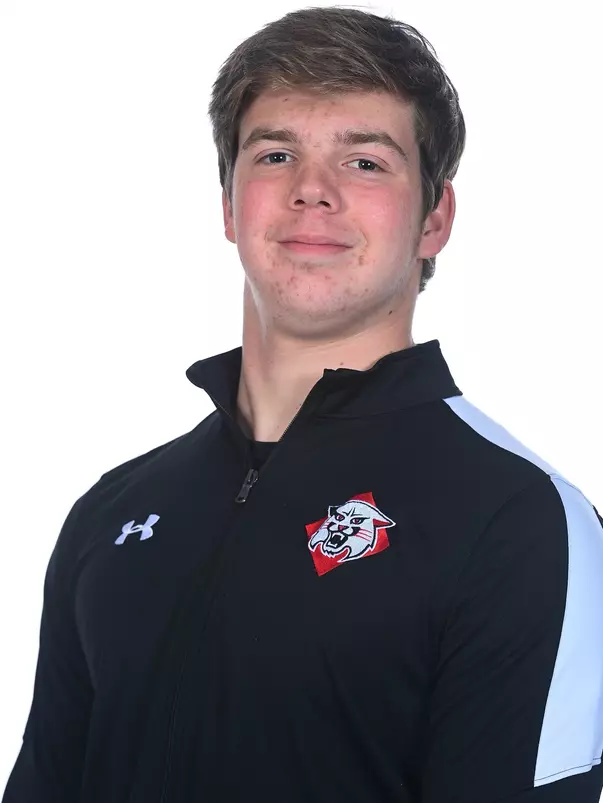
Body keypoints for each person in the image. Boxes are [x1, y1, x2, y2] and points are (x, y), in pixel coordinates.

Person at [3, 6, 603, 802]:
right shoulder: (112, 511)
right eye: (276, 154)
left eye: (365, 162)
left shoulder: (521, 520)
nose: (312, 191)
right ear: (229, 206)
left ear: (433, 219)